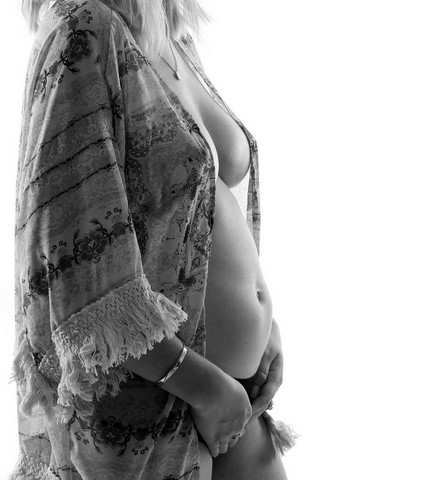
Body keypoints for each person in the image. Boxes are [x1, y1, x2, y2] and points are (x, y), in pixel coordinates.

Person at [9, 0, 296, 479]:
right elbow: (73, 271)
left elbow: (197, 211)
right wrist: (202, 386)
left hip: (231, 396)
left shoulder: (168, 33)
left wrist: (263, 329)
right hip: (151, 408)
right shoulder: (82, 29)